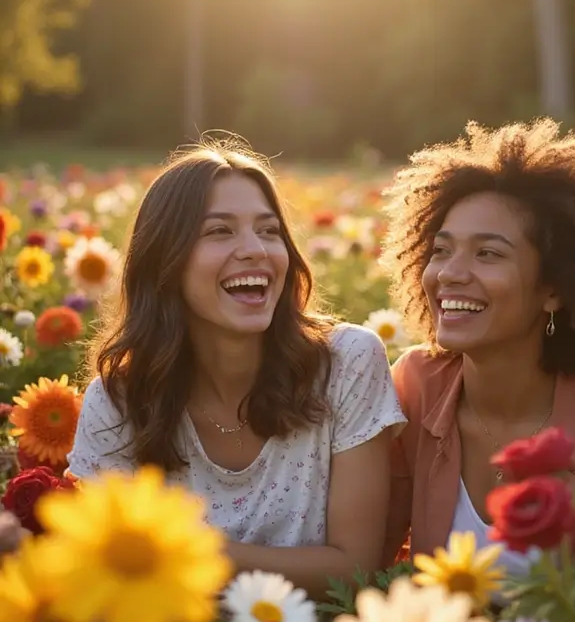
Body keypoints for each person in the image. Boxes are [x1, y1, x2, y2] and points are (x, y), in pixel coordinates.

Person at [380, 118, 575, 622]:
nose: (449, 273)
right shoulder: (416, 386)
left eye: (488, 253)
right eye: (441, 250)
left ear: (554, 289)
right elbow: (370, 566)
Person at [67, 139, 405, 598]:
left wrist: (178, 550)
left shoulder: (347, 363)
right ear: (165, 260)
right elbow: (113, 579)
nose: (255, 250)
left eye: (269, 231)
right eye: (219, 231)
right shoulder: (117, 403)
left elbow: (352, 570)